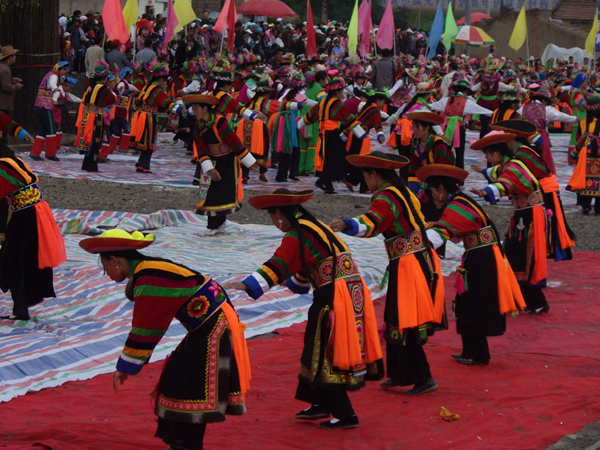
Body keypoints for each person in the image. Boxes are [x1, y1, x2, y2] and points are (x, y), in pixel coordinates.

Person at [78, 229, 250, 450]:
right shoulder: (148, 269)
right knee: (180, 378)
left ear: (115, 260)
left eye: (105, 268)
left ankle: (185, 445)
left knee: (189, 385)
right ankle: (181, 443)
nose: (106, 274)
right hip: (210, 322)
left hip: (214, 325)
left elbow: (146, 326)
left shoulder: (148, 276)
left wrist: (126, 365)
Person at [225, 189, 383, 430]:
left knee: (323, 351)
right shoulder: (313, 226)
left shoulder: (297, 234)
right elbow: (304, 268)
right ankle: (319, 402)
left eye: (271, 216)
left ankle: (346, 414)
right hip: (349, 290)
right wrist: (292, 284)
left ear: (279, 213)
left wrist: (247, 284)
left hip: (334, 294)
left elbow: (279, 262)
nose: (273, 221)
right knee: (315, 344)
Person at [330, 151, 445, 396]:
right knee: (396, 316)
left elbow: (373, 222)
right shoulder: (402, 191)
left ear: (374, 174)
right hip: (415, 258)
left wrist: (347, 223)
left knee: (406, 318)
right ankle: (400, 373)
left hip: (408, 263)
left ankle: (423, 377)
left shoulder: (386, 196)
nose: (365, 180)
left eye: (365, 175)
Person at [416, 164, 525, 365]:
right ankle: (472, 351)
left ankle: (477, 354)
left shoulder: (457, 206)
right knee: (469, 302)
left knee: (473, 304)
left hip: (482, 258)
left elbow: (444, 230)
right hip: (479, 254)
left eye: (432, 191)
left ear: (441, 188)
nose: (432, 196)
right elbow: (455, 231)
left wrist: (417, 245)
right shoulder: (460, 202)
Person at [469, 131, 549, 315]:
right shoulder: (508, 165)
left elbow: (505, 182)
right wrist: (483, 173)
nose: (488, 158)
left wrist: (485, 192)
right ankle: (524, 298)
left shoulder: (513, 167)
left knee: (524, 257)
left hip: (530, 215)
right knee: (515, 254)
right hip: (524, 213)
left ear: (498, 153)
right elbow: (499, 174)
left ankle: (537, 301)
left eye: (488, 154)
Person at [489, 119, 576, 261]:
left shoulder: (523, 153)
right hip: (537, 188)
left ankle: (546, 251)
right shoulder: (520, 151)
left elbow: (517, 173)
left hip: (543, 189)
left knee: (544, 223)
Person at [0, 144, 66, 321]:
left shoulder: (2, 166)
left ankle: (21, 307)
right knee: (27, 258)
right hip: (37, 212)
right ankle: (27, 301)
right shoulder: (16, 162)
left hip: (25, 215)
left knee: (13, 261)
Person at [186, 94, 259, 236]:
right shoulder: (198, 126)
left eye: (196, 109)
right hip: (211, 160)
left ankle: (220, 224)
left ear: (205, 109)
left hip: (227, 161)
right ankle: (213, 225)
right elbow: (200, 149)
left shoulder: (220, 122)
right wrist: (210, 169)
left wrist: (249, 163)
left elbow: (234, 141)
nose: (194, 113)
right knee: (211, 193)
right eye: (193, 110)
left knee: (224, 192)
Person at [297, 78, 366, 194]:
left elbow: (310, 117)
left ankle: (327, 184)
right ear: (337, 91)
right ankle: (323, 180)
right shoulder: (337, 104)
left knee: (327, 159)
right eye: (342, 91)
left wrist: (298, 125)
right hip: (332, 134)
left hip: (322, 134)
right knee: (335, 158)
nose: (342, 93)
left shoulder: (322, 103)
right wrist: (361, 134)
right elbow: (348, 120)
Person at [130, 63, 185, 173]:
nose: (165, 84)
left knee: (145, 140)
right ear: (160, 79)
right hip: (147, 117)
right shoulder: (156, 90)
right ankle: (143, 165)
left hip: (141, 115)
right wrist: (180, 110)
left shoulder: (148, 86)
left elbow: (136, 103)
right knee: (148, 141)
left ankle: (141, 162)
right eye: (164, 81)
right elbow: (166, 102)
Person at [428, 79, 493, 170]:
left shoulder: (447, 100)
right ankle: (459, 173)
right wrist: (494, 113)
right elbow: (483, 111)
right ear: (466, 91)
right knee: (459, 152)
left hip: (445, 127)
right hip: (458, 128)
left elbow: (431, 106)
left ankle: (443, 170)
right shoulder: (467, 102)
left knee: (445, 150)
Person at [405, 111, 455, 221]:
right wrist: (413, 190)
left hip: (442, 184)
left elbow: (442, 170)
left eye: (417, 127)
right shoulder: (415, 144)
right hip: (428, 183)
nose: (414, 130)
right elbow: (414, 167)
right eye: (413, 127)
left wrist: (439, 195)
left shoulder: (439, 145)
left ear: (427, 128)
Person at [30, 61, 72, 161]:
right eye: (65, 71)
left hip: (39, 105)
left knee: (42, 129)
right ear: (61, 69)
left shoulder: (49, 75)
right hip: (45, 105)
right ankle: (50, 154)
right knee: (51, 129)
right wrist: (55, 89)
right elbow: (52, 84)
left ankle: (35, 152)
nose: (64, 74)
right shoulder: (53, 76)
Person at [79, 65, 117, 172]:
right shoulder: (102, 88)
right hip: (96, 116)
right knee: (96, 141)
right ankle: (92, 166)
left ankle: (86, 164)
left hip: (88, 115)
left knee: (89, 140)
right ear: (104, 78)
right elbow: (112, 99)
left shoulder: (91, 87)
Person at [568, 94, 600, 215]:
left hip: (585, 154)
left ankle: (585, 204)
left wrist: (575, 152)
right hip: (598, 154)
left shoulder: (584, 123)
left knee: (585, 178)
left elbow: (579, 139)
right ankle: (598, 207)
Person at [0, 45, 23, 116]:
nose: (15, 57)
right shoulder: (6, 70)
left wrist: (11, 79)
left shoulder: (1, 66)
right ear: (10, 57)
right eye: (14, 55)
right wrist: (16, 86)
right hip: (3, 104)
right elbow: (6, 87)